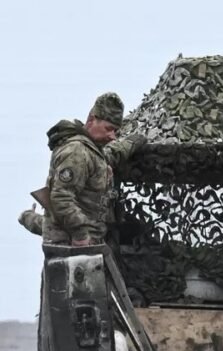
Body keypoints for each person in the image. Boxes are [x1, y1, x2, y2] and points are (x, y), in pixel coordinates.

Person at [18, 92, 144, 244]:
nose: (112, 136)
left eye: (115, 131)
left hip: (88, 242)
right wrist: (81, 235)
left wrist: (132, 143)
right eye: (108, 128)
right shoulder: (76, 151)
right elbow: (61, 198)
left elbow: (107, 157)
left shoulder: (91, 150)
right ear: (91, 120)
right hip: (74, 248)